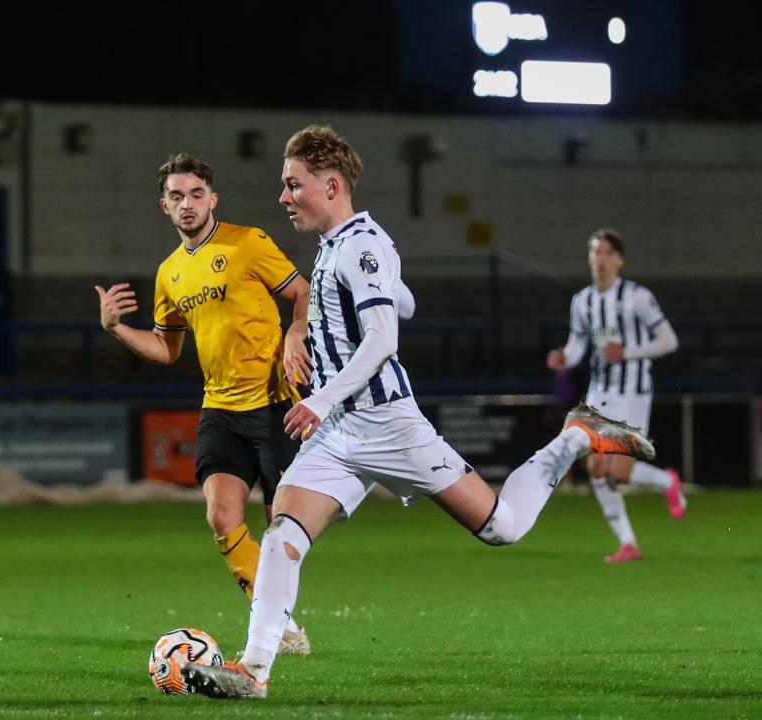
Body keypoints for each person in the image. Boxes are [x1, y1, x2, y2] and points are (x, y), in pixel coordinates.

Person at [182, 125, 656, 699]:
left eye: (293, 185)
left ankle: (575, 436)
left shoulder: (361, 244)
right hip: (338, 433)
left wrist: (319, 397)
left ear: (331, 185)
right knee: (284, 528)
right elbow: (404, 302)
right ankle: (253, 671)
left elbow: (383, 337)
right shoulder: (340, 243)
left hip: (389, 423)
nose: (283, 197)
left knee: (502, 527)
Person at [95, 153, 316, 654]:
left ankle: (275, 621)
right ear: (165, 207)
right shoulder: (169, 273)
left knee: (281, 527)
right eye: (177, 197)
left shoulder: (247, 242)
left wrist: (297, 330)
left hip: (273, 402)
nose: (187, 204)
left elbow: (301, 291)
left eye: (196, 194)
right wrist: (116, 330)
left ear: (212, 199)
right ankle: (281, 629)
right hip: (219, 408)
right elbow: (166, 348)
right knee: (220, 517)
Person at [546, 228, 686, 564]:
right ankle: (628, 542)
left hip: (634, 391)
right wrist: (565, 358)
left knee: (618, 473)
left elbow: (669, 341)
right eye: (596, 252)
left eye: (609, 253)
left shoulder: (637, 297)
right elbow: (579, 345)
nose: (602, 259)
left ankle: (667, 481)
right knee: (597, 467)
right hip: (600, 391)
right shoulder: (583, 301)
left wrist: (628, 352)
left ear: (620, 260)